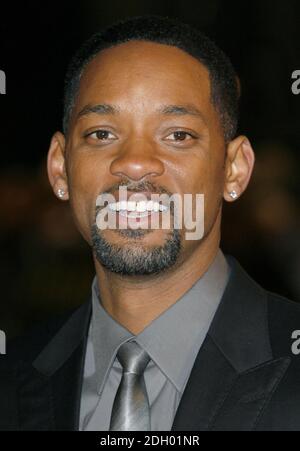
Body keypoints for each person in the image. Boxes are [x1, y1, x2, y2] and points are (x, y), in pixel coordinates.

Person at [1, 15, 300, 431]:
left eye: (177, 135)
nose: (134, 162)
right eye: (102, 133)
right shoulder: (12, 380)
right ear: (60, 168)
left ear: (233, 170)